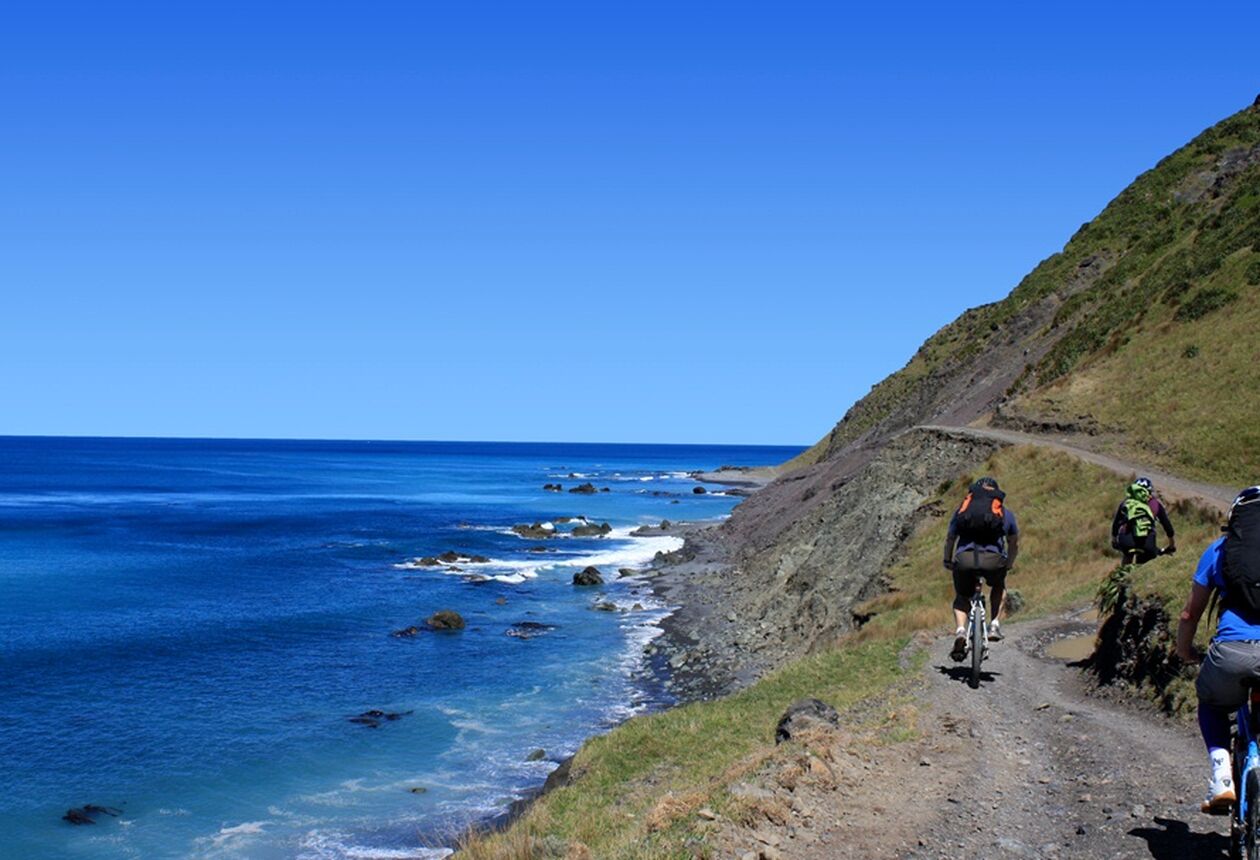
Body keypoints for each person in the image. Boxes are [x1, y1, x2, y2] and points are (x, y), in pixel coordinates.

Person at [1176, 485, 1260, 814]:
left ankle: (1222, 776)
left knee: (1211, 704)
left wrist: (1185, 652)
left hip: (1230, 653)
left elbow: (1189, 614)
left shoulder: (1218, 550)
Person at [943, 476, 1020, 660]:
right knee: (998, 585)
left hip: (965, 559)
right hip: (993, 560)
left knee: (962, 597)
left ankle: (961, 631)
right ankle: (994, 625)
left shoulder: (962, 511)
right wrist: (1009, 562)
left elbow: (950, 538)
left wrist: (947, 559)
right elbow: (1013, 542)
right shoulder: (1005, 513)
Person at [1112, 477, 1176, 564]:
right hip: (1147, 542)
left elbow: (1116, 524)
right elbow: (1168, 527)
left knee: (1127, 554)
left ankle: (1124, 570)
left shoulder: (1126, 502)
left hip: (1125, 539)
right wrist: (1171, 545)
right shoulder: (1156, 504)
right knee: (1145, 558)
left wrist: (1114, 540)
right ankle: (1139, 569)